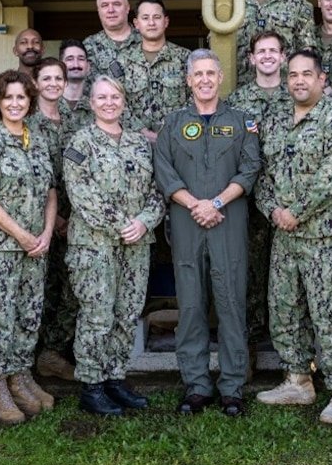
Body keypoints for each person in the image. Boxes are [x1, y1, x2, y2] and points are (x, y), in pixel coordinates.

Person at [255, 48, 332, 423]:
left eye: (307, 74)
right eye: (293, 75)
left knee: (331, 312)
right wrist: (273, 210)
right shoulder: (276, 119)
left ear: (322, 78)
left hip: (327, 237)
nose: (299, 81)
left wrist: (295, 212)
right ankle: (298, 380)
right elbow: (263, 173)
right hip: (285, 237)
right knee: (285, 308)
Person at [154, 50, 261, 417]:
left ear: (219, 78)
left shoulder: (242, 122)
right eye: (197, 74)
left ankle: (232, 387)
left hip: (227, 219)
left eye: (210, 74)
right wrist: (195, 205)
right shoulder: (172, 124)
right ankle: (197, 385)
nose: (204, 80)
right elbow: (164, 171)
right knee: (192, 305)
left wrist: (215, 203)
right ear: (188, 79)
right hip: (186, 221)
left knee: (230, 302)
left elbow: (249, 170)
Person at [63, 75, 165, 415]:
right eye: (102, 97)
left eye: (115, 97)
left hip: (135, 243)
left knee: (126, 314)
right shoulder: (81, 142)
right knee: (97, 315)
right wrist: (123, 223)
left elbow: (157, 189)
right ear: (91, 103)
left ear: (123, 102)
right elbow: (81, 194)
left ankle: (115, 378)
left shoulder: (138, 143)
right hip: (95, 246)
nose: (109, 103)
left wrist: (144, 221)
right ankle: (92, 385)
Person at [0, 70, 59, 425]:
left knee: (28, 315)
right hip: (0, 251)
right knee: (0, 319)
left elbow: (51, 191)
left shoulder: (35, 140)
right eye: (8, 98)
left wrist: (47, 232)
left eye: (21, 97)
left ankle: (21, 376)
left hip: (36, 248)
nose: (15, 103)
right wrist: (21, 235)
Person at [226, 29, 292, 365]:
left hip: (288, 204)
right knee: (247, 276)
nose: (267, 56)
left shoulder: (296, 94)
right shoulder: (236, 103)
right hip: (248, 205)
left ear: (283, 56)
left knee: (287, 282)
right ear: (250, 59)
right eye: (260, 51)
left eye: (273, 51)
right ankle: (248, 351)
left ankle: (291, 356)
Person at [30, 57, 82, 381]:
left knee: (69, 288)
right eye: (46, 78)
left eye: (58, 78)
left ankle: (54, 351)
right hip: (40, 221)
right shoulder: (28, 123)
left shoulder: (73, 121)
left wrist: (71, 216)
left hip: (75, 219)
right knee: (42, 290)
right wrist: (56, 219)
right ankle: (35, 357)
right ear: (36, 82)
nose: (53, 83)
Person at [116, 0, 191, 143]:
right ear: (136, 23)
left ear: (166, 22)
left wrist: (171, 129)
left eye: (156, 17)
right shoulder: (122, 60)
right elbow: (116, 100)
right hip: (134, 143)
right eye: (145, 18)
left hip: (177, 140)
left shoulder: (185, 57)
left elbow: (195, 97)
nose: (151, 23)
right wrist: (141, 131)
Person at [83, 0, 140, 85]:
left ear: (127, 8)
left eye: (116, 4)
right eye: (104, 5)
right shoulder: (88, 47)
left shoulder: (146, 41)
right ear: (98, 10)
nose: (111, 10)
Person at [60, 39, 92, 113]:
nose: (76, 64)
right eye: (70, 59)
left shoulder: (98, 105)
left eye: (81, 59)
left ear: (88, 66)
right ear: (60, 66)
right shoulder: (49, 103)